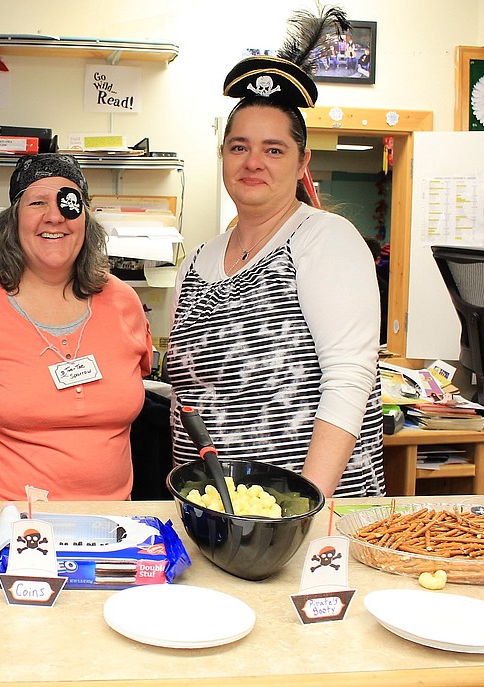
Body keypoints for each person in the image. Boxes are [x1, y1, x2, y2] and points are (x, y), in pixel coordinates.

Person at [166, 48, 385, 498]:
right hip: (213, 510)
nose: (253, 162)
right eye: (239, 147)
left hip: (302, 513)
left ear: (302, 163)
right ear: (222, 154)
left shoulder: (324, 240)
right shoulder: (194, 263)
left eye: (274, 149)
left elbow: (348, 381)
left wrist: (302, 508)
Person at [0, 153, 152, 501]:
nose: (54, 216)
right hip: (0, 524)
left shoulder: (124, 303)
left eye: (68, 202)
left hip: (112, 527)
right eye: (37, 202)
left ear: (86, 220)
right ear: (13, 219)